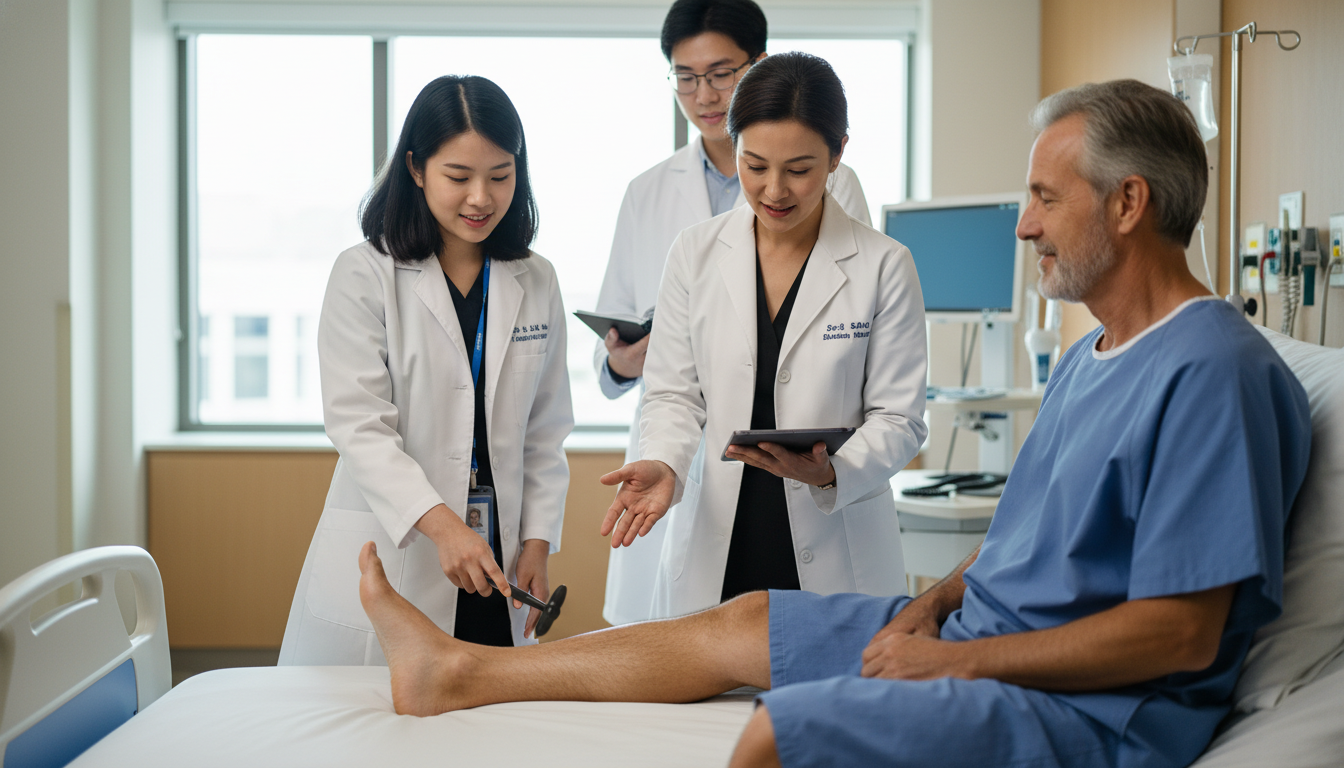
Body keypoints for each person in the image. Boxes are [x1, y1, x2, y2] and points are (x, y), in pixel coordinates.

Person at [354, 79, 1311, 768]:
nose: (1022, 226)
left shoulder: (1209, 371)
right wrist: (931, 609)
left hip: (1088, 706)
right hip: (980, 632)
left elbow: (1182, 636)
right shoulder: (1094, 357)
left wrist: (950, 660)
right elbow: (1017, 540)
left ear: (1130, 202)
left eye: (1043, 198)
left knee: (774, 730)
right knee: (743, 621)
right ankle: (459, 672)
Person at [598, 51, 927, 621]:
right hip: (721, 540)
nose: (774, 190)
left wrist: (829, 471)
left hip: (836, 539)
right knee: (702, 703)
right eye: (755, 166)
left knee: (829, 702)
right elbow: (673, 393)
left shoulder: (884, 265)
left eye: (799, 169)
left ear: (837, 155)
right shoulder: (695, 253)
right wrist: (665, 464)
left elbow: (899, 418)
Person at [278, 75, 572, 664]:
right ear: (416, 169)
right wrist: (442, 528)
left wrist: (536, 542)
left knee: (490, 735)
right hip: (406, 547)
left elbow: (545, 431)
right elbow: (360, 428)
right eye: (458, 178)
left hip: (495, 560)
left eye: (500, 176)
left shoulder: (535, 278)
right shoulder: (365, 275)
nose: (481, 198)